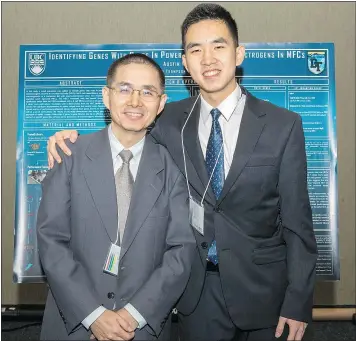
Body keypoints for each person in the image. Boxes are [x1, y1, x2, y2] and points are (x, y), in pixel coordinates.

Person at [46, 3, 318, 341]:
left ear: (238, 54)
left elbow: (298, 223)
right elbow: (125, 126)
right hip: (196, 293)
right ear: (185, 63)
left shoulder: (283, 125)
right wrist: (63, 137)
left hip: (265, 292)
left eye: (219, 46)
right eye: (195, 49)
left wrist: (298, 300)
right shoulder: (168, 120)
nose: (208, 58)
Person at [37, 53, 196, 341]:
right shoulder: (69, 157)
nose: (135, 101)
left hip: (142, 328)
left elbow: (181, 251)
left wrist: (132, 314)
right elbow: (51, 241)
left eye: (147, 92)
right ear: (106, 96)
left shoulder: (173, 167)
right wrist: (94, 315)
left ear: (160, 103)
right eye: (124, 89)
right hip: (73, 325)